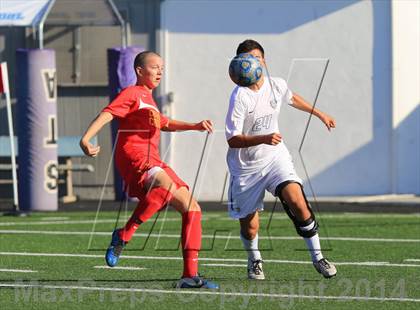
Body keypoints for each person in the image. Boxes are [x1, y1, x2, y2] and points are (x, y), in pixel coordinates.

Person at [80, 51, 218, 289]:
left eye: (162, 68)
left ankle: (189, 276)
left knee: (193, 208)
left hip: (152, 158)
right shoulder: (132, 93)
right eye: (155, 67)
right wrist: (86, 139)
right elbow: (107, 113)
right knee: (165, 187)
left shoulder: (149, 99)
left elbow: (164, 123)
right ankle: (125, 234)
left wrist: (194, 126)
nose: (160, 71)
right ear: (139, 71)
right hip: (134, 156)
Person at [225, 39, 337, 280]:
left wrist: (320, 113)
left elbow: (292, 97)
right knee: (250, 226)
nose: (251, 63)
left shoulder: (276, 84)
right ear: (238, 64)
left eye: (256, 58)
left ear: (263, 61)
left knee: (297, 199)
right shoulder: (240, 96)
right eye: (246, 59)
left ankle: (318, 257)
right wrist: (263, 138)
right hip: (246, 168)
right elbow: (232, 140)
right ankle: (254, 259)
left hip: (276, 158)